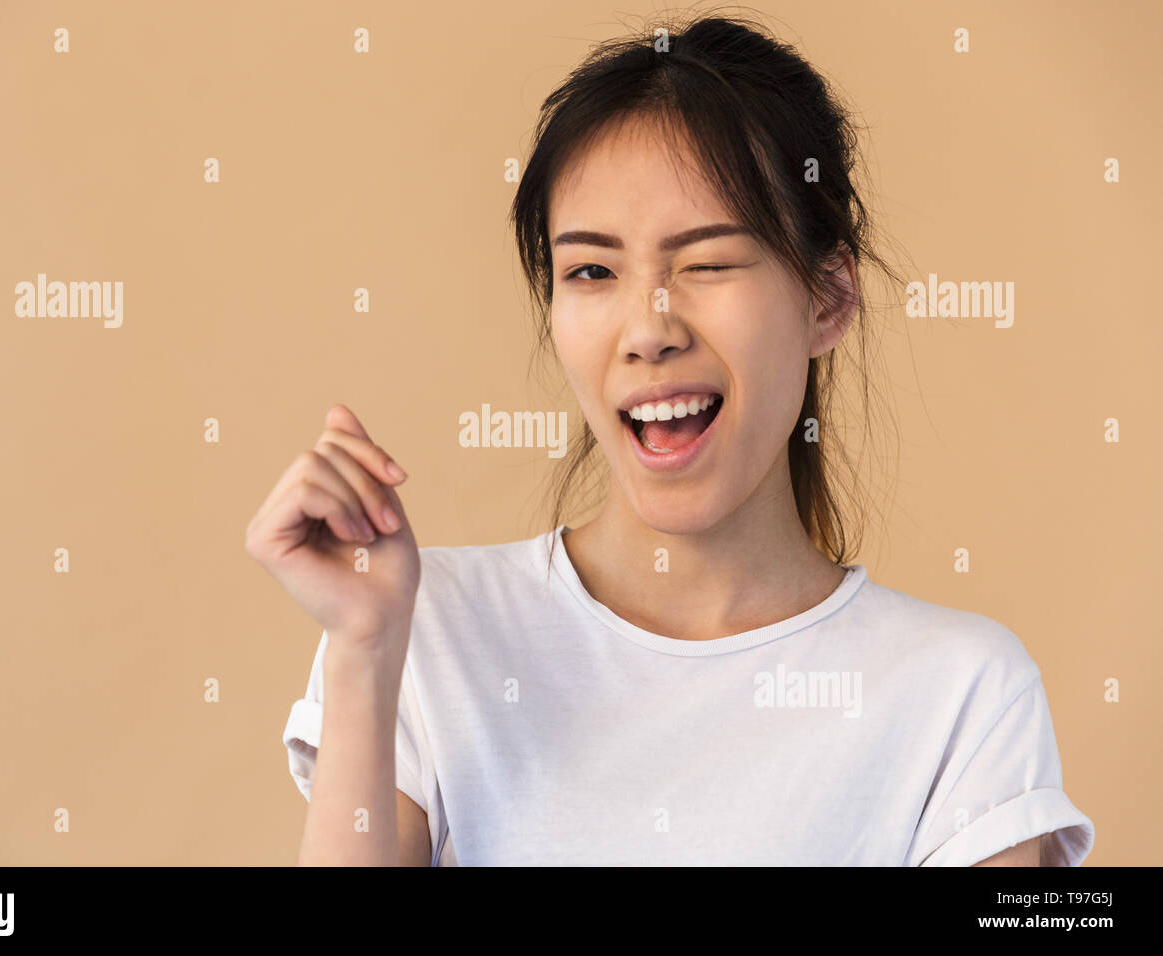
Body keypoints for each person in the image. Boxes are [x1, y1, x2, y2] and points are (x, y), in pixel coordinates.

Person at [246, 14, 1094, 866]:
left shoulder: (964, 697)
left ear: (828, 297)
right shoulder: (424, 633)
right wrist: (362, 652)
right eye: (592, 271)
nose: (647, 330)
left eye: (708, 262)